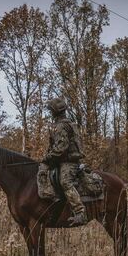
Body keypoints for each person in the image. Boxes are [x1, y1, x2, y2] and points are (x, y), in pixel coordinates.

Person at [42, 97, 87, 226]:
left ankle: (80, 212)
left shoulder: (62, 126)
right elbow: (53, 147)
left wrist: (47, 158)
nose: (50, 112)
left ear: (55, 111)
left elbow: (61, 148)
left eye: (51, 110)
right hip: (61, 160)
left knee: (65, 182)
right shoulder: (60, 125)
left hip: (69, 162)